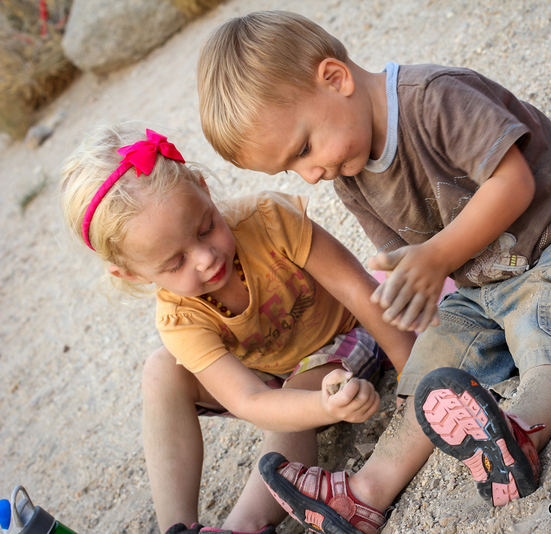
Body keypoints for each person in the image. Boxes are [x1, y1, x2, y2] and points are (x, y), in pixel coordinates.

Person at [196, 10, 551, 534]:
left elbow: (513, 183)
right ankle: (365, 495)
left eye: (304, 149)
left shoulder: (433, 97)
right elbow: (409, 263)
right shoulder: (352, 175)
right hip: (486, 278)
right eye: (291, 169)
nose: (310, 175)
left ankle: (523, 431)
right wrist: (414, 296)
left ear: (334, 79)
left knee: (549, 328)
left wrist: (436, 258)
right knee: (431, 369)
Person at [59, 124, 416, 534]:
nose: (205, 258)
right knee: (162, 370)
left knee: (293, 393)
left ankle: (244, 526)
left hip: (342, 341)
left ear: (203, 188)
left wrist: (413, 371)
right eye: (175, 264)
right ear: (132, 274)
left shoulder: (266, 219)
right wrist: (313, 406)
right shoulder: (178, 316)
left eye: (206, 226)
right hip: (267, 378)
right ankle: (176, 527)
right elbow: (247, 399)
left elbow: (356, 288)